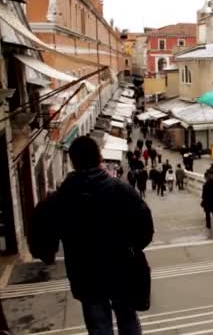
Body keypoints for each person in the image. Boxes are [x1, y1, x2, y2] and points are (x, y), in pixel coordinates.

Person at [28, 136, 154, 335]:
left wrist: (47, 254)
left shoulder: (60, 198)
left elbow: (39, 228)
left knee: (98, 325)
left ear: (73, 162)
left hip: (85, 273)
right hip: (122, 268)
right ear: (99, 158)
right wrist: (132, 247)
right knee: (127, 318)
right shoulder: (122, 190)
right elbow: (145, 228)